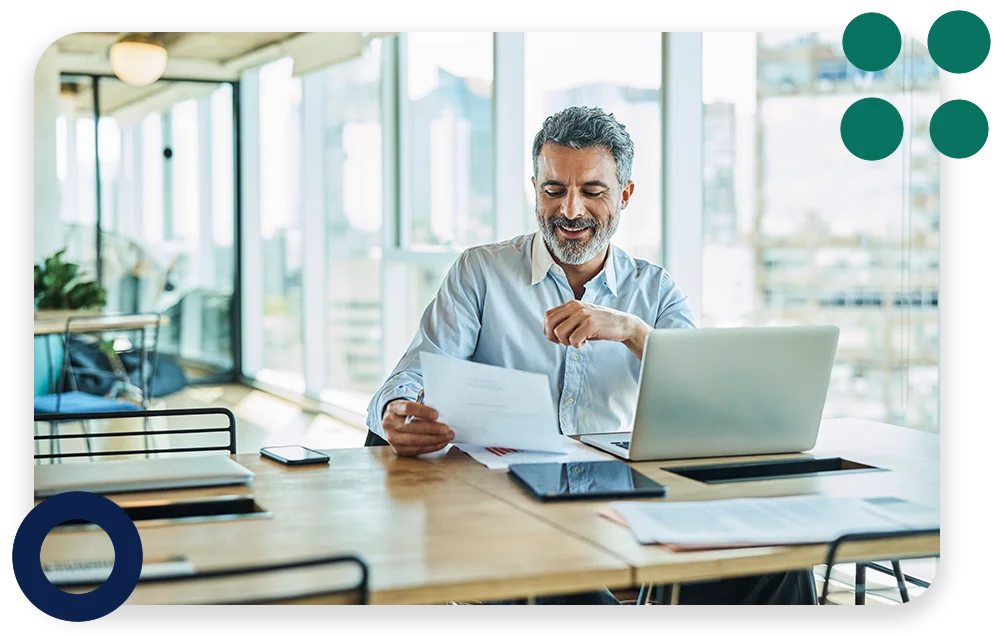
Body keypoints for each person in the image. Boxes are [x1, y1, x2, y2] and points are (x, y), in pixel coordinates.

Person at [365, 106, 816, 605]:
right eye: (553, 190)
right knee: (571, 591)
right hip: (502, 504)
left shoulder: (655, 291)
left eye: (593, 192)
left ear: (624, 194)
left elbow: (712, 400)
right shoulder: (480, 273)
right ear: (534, 188)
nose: (570, 210)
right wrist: (396, 412)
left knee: (780, 564)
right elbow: (409, 377)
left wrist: (631, 330)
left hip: (623, 500)